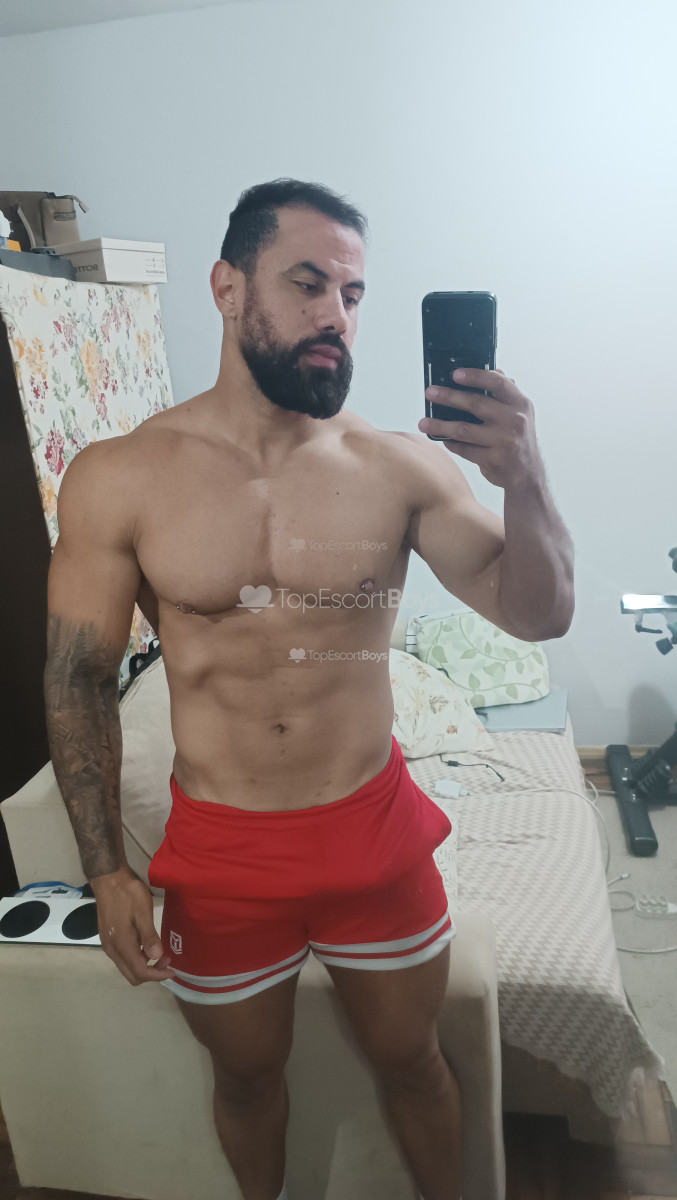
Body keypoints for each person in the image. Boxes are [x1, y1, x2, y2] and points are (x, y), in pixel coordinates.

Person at [43, 178, 575, 1200]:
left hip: (372, 833)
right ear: (225, 287)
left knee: (413, 1064)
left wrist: (526, 477)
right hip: (222, 851)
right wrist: (106, 870)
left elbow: (537, 613)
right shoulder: (121, 476)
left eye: (353, 293)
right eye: (307, 283)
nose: (336, 314)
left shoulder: (399, 467)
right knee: (246, 1082)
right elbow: (77, 677)